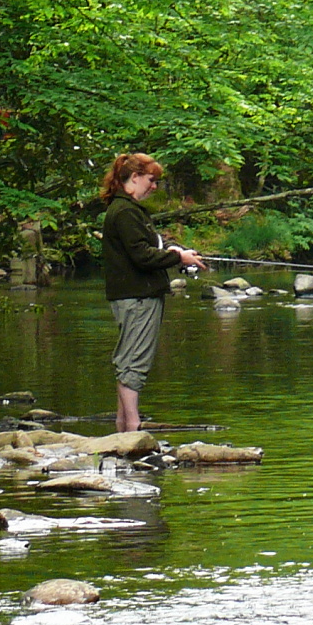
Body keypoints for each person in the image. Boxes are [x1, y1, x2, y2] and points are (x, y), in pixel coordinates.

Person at [99, 153, 202, 433]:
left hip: (136, 294)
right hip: (137, 296)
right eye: (151, 180)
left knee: (130, 359)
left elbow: (151, 245)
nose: (154, 186)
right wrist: (179, 259)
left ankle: (124, 426)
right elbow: (142, 256)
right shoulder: (124, 212)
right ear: (134, 178)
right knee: (134, 361)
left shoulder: (127, 210)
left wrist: (175, 250)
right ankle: (132, 425)